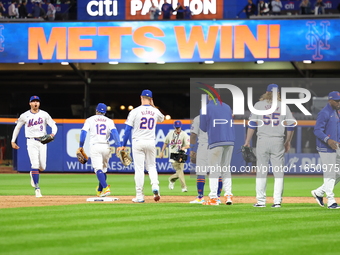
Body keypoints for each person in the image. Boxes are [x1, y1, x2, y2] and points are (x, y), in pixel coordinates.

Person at [243, 84, 295, 208]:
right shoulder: (283, 106)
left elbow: (252, 125)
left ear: (266, 92)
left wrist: (247, 141)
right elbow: (291, 125)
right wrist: (288, 141)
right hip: (278, 140)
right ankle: (277, 201)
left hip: (263, 139)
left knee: (261, 172)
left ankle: (261, 201)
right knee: (278, 173)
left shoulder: (258, 105)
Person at [118, 89, 164, 203]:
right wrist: (153, 107)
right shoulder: (155, 111)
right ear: (151, 99)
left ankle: (139, 196)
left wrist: (123, 145)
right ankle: (155, 186)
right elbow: (162, 119)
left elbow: (127, 130)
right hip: (151, 142)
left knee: (139, 169)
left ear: (141, 97)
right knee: (152, 167)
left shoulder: (135, 111)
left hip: (138, 142)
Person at [11, 95, 58, 198]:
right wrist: (13, 140)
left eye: (37, 101)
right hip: (31, 141)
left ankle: (33, 174)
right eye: (33, 101)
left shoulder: (44, 114)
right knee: (35, 164)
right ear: (30, 103)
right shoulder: (25, 115)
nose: (35, 103)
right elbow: (17, 128)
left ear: (39, 103)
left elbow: (54, 125)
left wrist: (53, 134)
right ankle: (37, 189)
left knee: (42, 167)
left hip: (42, 141)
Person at [79, 103, 121, 197]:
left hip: (95, 146)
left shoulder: (90, 120)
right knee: (103, 170)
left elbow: (83, 133)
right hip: (106, 147)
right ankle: (99, 190)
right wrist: (119, 145)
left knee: (98, 169)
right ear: (105, 112)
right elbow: (115, 133)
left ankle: (106, 188)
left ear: (96, 110)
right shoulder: (109, 121)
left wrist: (81, 145)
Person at [200, 94, 235, 206]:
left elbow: (203, 127)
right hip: (230, 140)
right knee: (226, 168)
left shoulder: (206, 107)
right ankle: (228, 195)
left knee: (214, 169)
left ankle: (213, 198)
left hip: (216, 140)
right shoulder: (227, 106)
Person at [311, 91, 340, 209]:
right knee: (330, 174)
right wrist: (328, 140)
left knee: (338, 173)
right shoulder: (324, 112)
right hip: (325, 148)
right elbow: (317, 130)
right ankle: (331, 201)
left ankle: (319, 192)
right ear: (330, 100)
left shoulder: (336, 112)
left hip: (336, 146)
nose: (339, 103)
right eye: (336, 101)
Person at [190, 115, 223, 204]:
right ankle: (218, 197)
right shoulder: (218, 117)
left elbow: (193, 135)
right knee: (216, 172)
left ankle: (200, 197)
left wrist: (192, 149)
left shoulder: (198, 118)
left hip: (203, 145)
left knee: (201, 171)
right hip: (216, 145)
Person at [160, 120, 190, 192]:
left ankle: (173, 180)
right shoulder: (170, 134)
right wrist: (162, 152)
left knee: (180, 171)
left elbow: (188, 145)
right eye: (176, 127)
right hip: (173, 155)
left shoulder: (184, 134)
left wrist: (184, 147)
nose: (177, 129)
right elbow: (165, 143)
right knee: (180, 171)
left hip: (181, 154)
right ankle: (181, 186)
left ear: (180, 126)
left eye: (178, 127)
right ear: (174, 126)